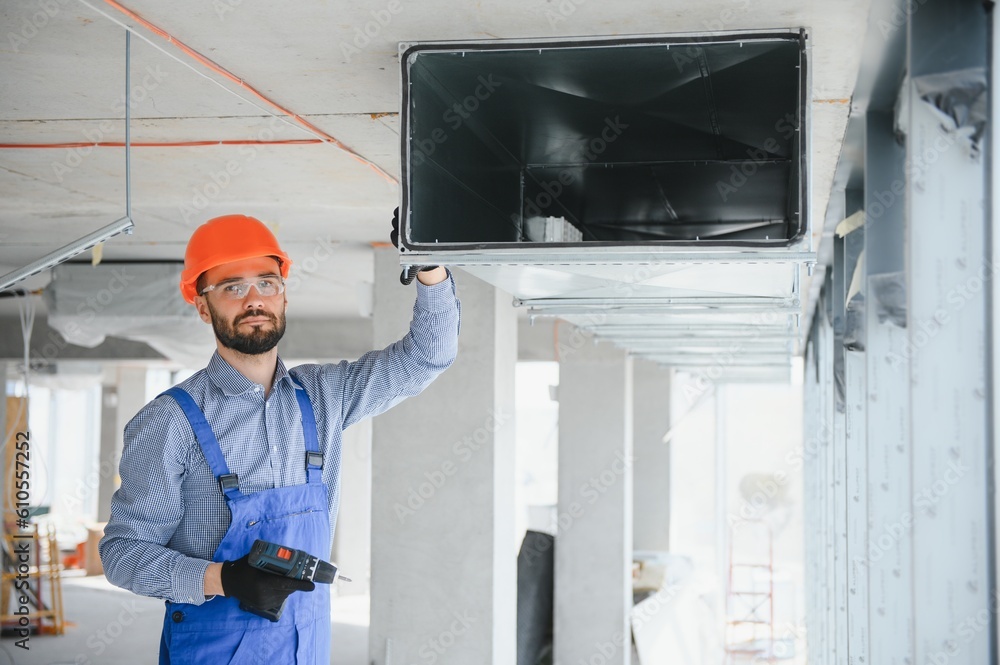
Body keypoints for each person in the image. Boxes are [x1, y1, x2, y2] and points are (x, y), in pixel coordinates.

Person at [99, 213, 460, 664]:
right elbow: (122, 554)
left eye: (267, 283)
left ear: (284, 294)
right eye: (232, 287)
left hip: (305, 646)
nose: (254, 299)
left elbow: (430, 355)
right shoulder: (170, 421)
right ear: (202, 305)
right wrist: (222, 579)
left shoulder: (325, 396)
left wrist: (431, 266)